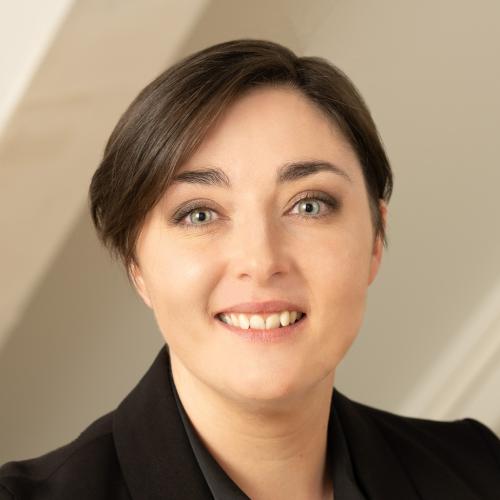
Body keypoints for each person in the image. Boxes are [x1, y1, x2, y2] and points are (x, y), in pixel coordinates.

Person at [1, 38, 499, 500]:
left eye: (308, 205)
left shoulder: (479, 469)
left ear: (375, 239)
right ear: (137, 267)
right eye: (200, 214)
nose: (261, 262)